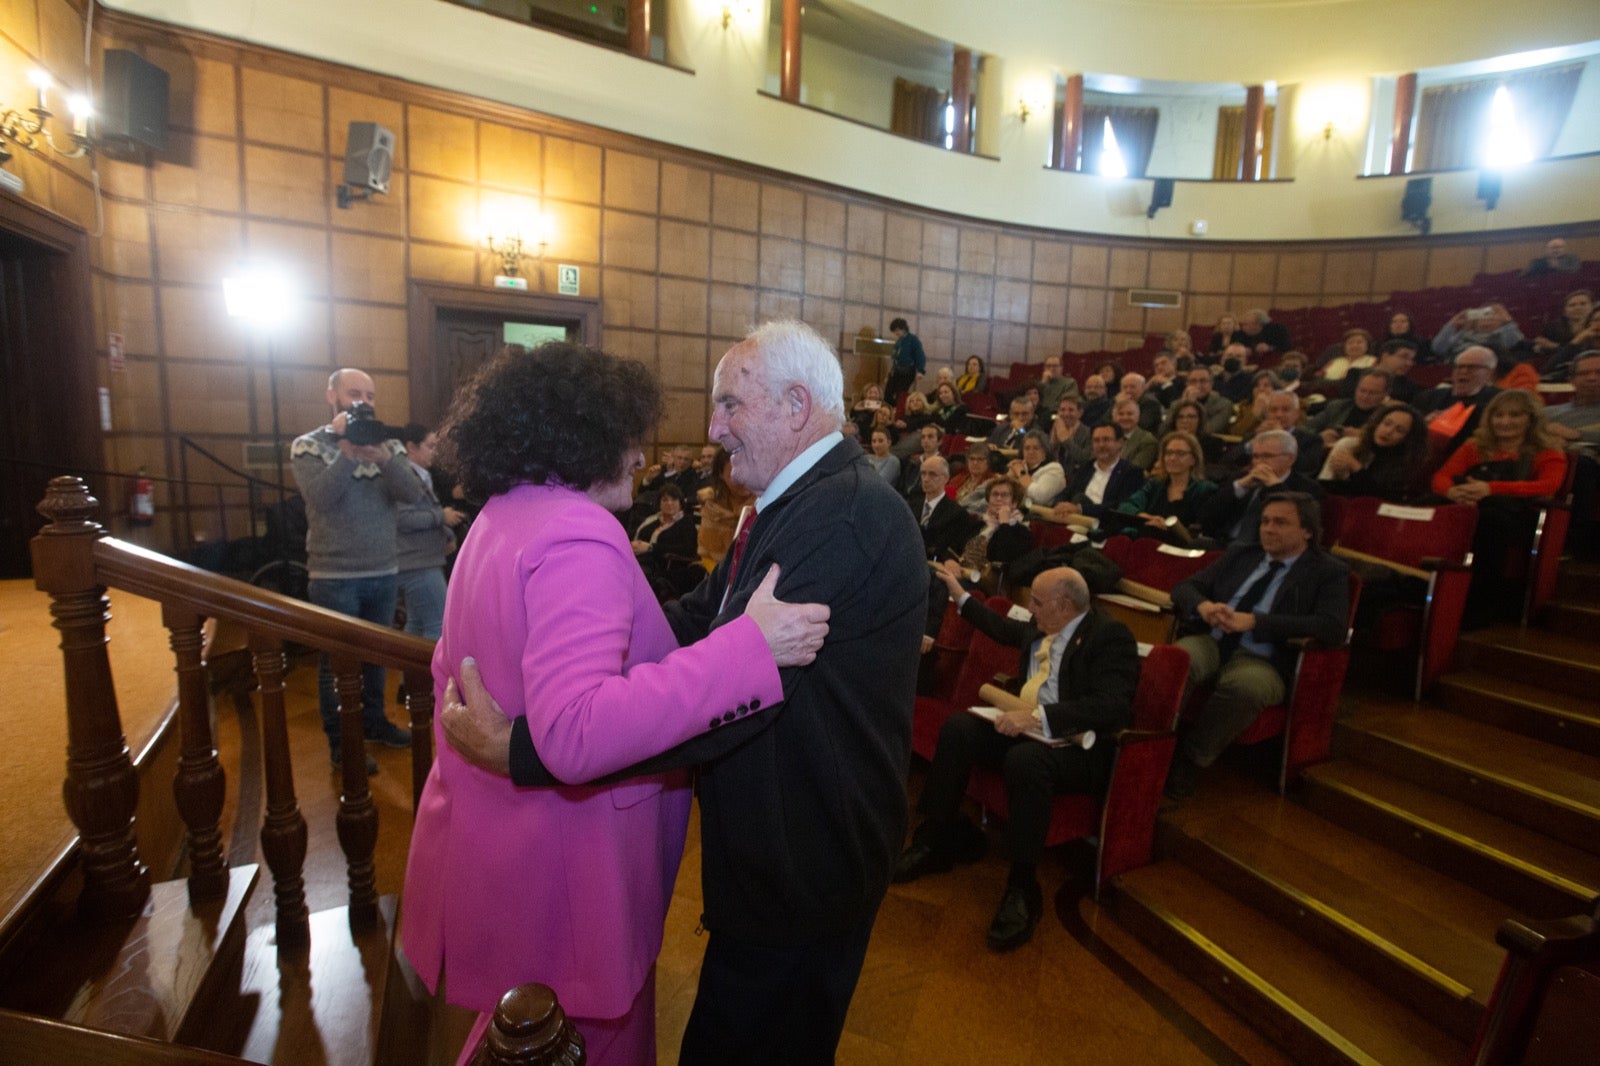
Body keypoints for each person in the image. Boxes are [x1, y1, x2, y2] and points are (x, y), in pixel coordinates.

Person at [442, 320, 927, 1062]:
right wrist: (602, 636)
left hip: (810, 855)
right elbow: (711, 614)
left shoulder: (846, 516)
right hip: (771, 846)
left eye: (730, 405)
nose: (712, 429)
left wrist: (530, 750)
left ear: (796, 405)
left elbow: (740, 701)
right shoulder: (795, 501)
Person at [894, 564, 1139, 951]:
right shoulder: (1042, 627)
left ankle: (1022, 886)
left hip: (1077, 746)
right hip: (1027, 730)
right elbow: (998, 626)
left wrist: (1040, 717)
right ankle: (936, 838)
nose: (1031, 608)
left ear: (1064, 605)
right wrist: (960, 594)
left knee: (1026, 762)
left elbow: (1112, 705)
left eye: (1038, 603)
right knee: (959, 729)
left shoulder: (1109, 637)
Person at [1163, 493, 1350, 801]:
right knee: (1176, 659)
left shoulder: (1327, 571)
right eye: (1264, 521)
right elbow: (1185, 587)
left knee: (1245, 687)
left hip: (1264, 657)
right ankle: (1152, 743)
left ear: (1307, 531)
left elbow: (1332, 627)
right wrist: (1205, 606)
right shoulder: (1242, 553)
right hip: (1213, 639)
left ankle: (1190, 758)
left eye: (1280, 522)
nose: (1268, 529)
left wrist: (1257, 623)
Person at [291, 368, 431, 771]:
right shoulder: (308, 446)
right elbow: (321, 498)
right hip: (334, 577)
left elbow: (413, 495)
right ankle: (343, 742)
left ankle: (373, 724)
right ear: (331, 396)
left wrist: (385, 459)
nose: (364, 402)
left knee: (376, 658)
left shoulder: (389, 447)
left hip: (384, 571)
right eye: (355, 393)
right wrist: (347, 452)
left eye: (370, 396)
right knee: (335, 665)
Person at [1431, 389, 1568, 626]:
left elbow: (1547, 486)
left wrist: (1490, 488)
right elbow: (1441, 477)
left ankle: (1479, 604)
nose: (1505, 422)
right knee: (1437, 511)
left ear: (1530, 419)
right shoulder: (1474, 446)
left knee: (1488, 522)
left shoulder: (1547, 450)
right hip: (1469, 504)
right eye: (1499, 415)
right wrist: (1453, 491)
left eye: (1515, 415)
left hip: (1516, 515)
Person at [1196, 429, 1324, 549]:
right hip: (1223, 544)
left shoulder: (1308, 488)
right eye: (1256, 457)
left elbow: (1296, 527)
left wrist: (1275, 486)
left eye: (1267, 456)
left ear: (1290, 459)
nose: (1260, 463)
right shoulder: (1241, 478)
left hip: (1263, 551)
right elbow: (1205, 517)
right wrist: (1239, 488)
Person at [396, 422, 463, 641]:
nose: (434, 452)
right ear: (411, 447)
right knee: (438, 626)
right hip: (418, 562)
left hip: (422, 559)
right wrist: (441, 517)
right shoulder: (405, 476)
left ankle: (411, 676)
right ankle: (433, 676)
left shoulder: (421, 475)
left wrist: (447, 533)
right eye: (430, 446)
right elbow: (402, 519)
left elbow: (427, 512)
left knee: (416, 624)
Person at [1546, 350, 1600, 557]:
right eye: (1585, 373)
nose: (1592, 378)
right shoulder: (1549, 412)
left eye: (1598, 372)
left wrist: (1574, 434)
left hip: (1587, 464)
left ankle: (1573, 541)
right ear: (1572, 379)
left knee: (1581, 464)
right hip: (1550, 459)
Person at [1115, 431, 1216, 539]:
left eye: (1180, 453)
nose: (1172, 458)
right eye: (1168, 453)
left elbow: (1203, 529)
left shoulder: (1205, 489)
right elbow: (1126, 506)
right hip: (1148, 541)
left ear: (1193, 459)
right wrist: (1148, 518)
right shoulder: (1155, 484)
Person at [1319, 404, 1429, 501]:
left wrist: (1356, 468)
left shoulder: (1405, 463)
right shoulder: (1353, 446)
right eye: (1387, 423)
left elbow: (1380, 497)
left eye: (1399, 430)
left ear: (1408, 439)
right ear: (1377, 423)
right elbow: (1326, 485)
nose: (1388, 431)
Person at [1043, 423, 1144, 521]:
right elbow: (1067, 493)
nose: (1101, 445)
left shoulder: (1131, 472)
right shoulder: (1087, 467)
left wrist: (1080, 509)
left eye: (1106, 440)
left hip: (1103, 524)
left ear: (1120, 443)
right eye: (1096, 440)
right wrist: (1060, 505)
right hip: (1073, 519)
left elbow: (1120, 507)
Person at [1416, 347, 1500, 457]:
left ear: (1490, 373)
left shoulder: (1498, 400)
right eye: (1459, 367)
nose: (1463, 371)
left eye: (1472, 367)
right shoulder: (1428, 397)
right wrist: (1423, 424)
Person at [631, 481, 701, 602]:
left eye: (673, 500)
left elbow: (687, 549)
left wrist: (652, 548)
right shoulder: (653, 520)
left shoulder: (686, 523)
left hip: (664, 566)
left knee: (636, 575)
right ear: (659, 503)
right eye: (665, 500)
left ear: (680, 503)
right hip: (638, 558)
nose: (669, 503)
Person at [696, 445, 755, 569]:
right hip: (717, 574)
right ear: (721, 475)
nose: (742, 478)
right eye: (734, 473)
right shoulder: (712, 506)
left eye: (747, 470)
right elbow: (706, 552)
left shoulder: (764, 502)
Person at [909, 455, 973, 560]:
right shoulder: (911, 506)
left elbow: (949, 549)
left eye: (932, 474)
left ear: (946, 478)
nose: (926, 479)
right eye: (923, 473)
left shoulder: (957, 513)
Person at [1309, 369, 1392, 448]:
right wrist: (1319, 437)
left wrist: (1364, 437)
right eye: (1362, 390)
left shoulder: (1387, 417)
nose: (1365, 396)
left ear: (1385, 394)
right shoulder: (1338, 407)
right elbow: (1304, 430)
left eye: (1373, 393)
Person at [1433, 303, 1524, 363]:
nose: (1487, 318)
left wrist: (1507, 322)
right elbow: (1438, 348)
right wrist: (1452, 324)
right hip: (1457, 367)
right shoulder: (1463, 334)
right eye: (1484, 314)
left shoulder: (1502, 335)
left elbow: (1515, 342)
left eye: (1492, 314)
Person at [1007, 430, 1066, 507]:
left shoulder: (1054, 469)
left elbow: (1040, 497)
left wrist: (1021, 474)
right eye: (1027, 448)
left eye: (1036, 448)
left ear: (1045, 451)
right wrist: (1009, 476)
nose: (1031, 452)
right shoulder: (1021, 466)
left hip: (1041, 516)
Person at [1531, 290, 1594, 361]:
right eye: (1572, 305)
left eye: (1583, 304)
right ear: (1565, 311)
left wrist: (1555, 346)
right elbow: (1541, 350)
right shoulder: (1551, 328)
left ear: (1592, 306)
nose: (1577, 308)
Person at [1543, 307, 1600, 381]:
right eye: (1596, 320)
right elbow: (1547, 370)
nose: (1598, 324)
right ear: (1589, 325)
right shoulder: (1579, 350)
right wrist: (1576, 341)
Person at [948, 443, 1000, 513]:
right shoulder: (958, 478)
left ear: (988, 462)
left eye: (980, 459)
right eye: (972, 459)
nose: (975, 462)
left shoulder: (992, 482)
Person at [885, 316, 926, 404]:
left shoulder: (913, 340)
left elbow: (920, 355)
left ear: (903, 328)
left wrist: (920, 371)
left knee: (900, 394)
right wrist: (889, 375)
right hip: (896, 371)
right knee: (887, 393)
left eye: (897, 330)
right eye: (894, 331)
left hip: (907, 372)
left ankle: (897, 411)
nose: (896, 333)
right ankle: (890, 409)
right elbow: (895, 360)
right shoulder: (899, 342)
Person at [1112, 397, 1158, 471]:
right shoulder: (1107, 438)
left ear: (1138, 417)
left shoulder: (1147, 441)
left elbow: (1133, 470)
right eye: (1120, 414)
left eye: (1130, 414)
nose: (1125, 417)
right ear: (1114, 418)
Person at [1184, 366, 1234, 434]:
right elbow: (1166, 429)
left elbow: (1208, 429)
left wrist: (1192, 405)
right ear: (1187, 384)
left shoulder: (1224, 405)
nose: (1198, 386)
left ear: (1211, 384)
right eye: (1193, 381)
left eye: (1203, 381)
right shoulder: (1177, 404)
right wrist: (1184, 404)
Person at [1050, 396, 1093, 475]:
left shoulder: (1088, 433)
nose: (1066, 414)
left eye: (1071, 410)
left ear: (1080, 413)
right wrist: (1053, 443)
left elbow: (1084, 459)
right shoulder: (1054, 429)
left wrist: (1066, 440)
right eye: (1062, 410)